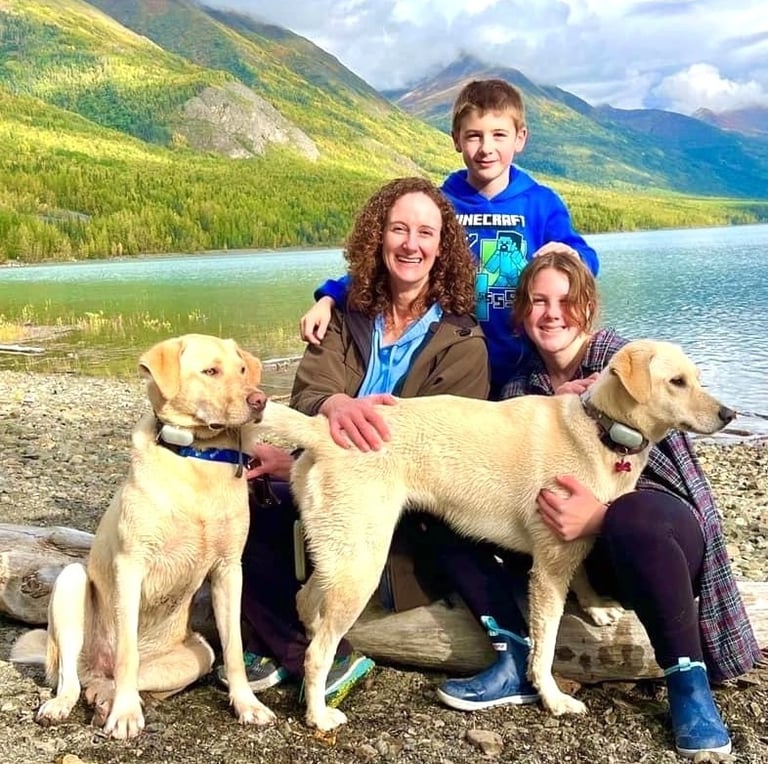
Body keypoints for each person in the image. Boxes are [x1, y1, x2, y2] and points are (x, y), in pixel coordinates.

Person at [434, 251, 761, 760]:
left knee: (633, 515)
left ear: (588, 308)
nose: (552, 313)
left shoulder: (623, 358)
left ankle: (688, 685)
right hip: (587, 563)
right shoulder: (522, 388)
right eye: (538, 302)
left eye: (566, 301)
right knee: (451, 506)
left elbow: (684, 487)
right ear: (521, 314)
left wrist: (599, 513)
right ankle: (512, 650)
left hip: (662, 545)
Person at [220, 176, 490, 707]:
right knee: (237, 486)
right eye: (398, 229)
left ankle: (291, 648)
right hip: (329, 475)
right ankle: (294, 642)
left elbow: (444, 456)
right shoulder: (344, 317)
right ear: (378, 237)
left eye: (425, 232)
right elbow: (310, 390)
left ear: (443, 247)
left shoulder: (464, 343)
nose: (411, 244)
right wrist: (329, 411)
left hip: (401, 516)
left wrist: (311, 452)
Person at [299, 78, 599, 398]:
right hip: (454, 357)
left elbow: (583, 259)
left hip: (522, 361)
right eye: (474, 136)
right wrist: (331, 296)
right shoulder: (442, 204)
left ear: (520, 138)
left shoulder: (540, 202)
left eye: (499, 135)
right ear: (456, 139)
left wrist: (572, 254)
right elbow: (393, 264)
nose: (486, 148)